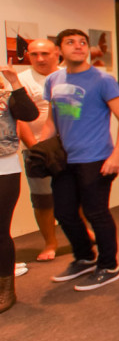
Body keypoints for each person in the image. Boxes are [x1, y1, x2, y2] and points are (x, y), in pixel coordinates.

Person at [41, 29, 119, 291]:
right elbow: (51, 120)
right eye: (71, 43)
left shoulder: (103, 80)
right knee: (64, 212)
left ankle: (108, 265)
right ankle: (84, 257)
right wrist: (43, 149)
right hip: (64, 159)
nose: (78, 47)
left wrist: (118, 154)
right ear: (60, 50)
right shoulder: (53, 80)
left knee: (96, 212)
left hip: (96, 157)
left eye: (83, 43)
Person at [15, 39, 62, 261]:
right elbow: (19, 120)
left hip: (66, 146)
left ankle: (83, 231)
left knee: (74, 192)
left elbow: (75, 112)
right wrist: (36, 150)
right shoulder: (20, 80)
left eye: (45, 53)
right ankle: (50, 243)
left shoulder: (67, 77)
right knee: (43, 198)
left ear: (57, 54)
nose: (40, 58)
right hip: (35, 147)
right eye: (34, 54)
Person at [1, 63, 40, 313]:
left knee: (0, 230)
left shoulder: (6, 98)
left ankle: (6, 291)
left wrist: (14, 83)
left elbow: (29, 114)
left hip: (3, 168)